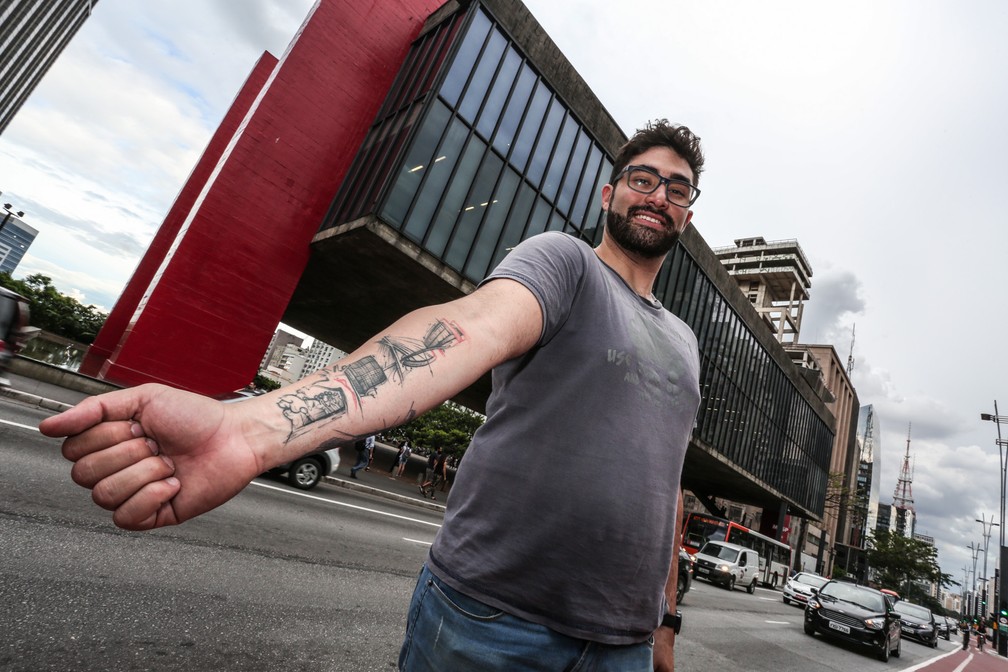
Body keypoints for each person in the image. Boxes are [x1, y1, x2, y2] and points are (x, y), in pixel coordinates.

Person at [39, 119, 704, 671]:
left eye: (677, 188)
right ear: (609, 191)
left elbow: (663, 484)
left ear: (688, 213)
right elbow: (463, 331)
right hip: (494, 623)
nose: (657, 195)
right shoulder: (566, 264)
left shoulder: (685, 342)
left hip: (625, 646)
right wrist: (248, 430)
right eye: (643, 179)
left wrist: (665, 620)